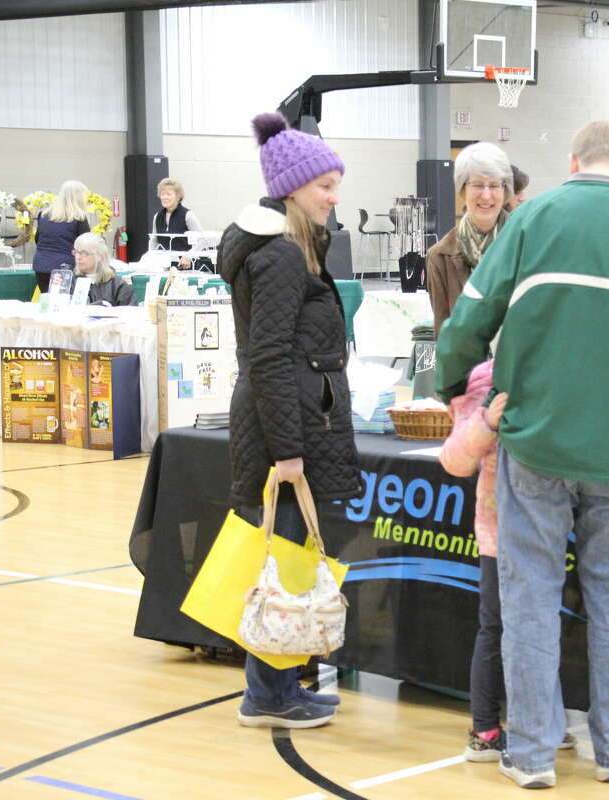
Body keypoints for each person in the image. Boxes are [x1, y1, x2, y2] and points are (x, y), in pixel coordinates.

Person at [436, 120, 609, 789]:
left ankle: (530, 756)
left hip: (538, 441)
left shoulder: (534, 220)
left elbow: (470, 314)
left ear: (573, 159)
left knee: (529, 599)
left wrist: (451, 379)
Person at [217, 111, 360, 729]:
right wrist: (288, 449)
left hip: (293, 416)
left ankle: (276, 687)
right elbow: (271, 356)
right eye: (325, 186)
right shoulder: (278, 256)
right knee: (282, 558)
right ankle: (269, 694)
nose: (334, 197)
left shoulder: (290, 246)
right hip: (286, 423)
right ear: (293, 188)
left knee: (287, 560)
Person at [438, 361, 576, 762]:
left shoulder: (555, 370)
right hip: (499, 537)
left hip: (546, 532)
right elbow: (455, 460)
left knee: (542, 624)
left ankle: (541, 721)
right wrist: (486, 420)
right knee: (497, 627)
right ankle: (484, 730)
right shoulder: (486, 381)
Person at [425, 142, 512, 337]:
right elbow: (445, 335)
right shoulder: (440, 257)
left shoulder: (527, 244)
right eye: (478, 185)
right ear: (463, 189)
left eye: (495, 185)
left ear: (505, 190)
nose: (486, 195)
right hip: (469, 365)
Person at [32, 180, 91, 294]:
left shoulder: (44, 214)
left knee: (48, 300)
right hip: (65, 268)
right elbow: (86, 244)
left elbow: (37, 239)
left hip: (41, 266)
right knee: (65, 303)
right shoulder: (79, 217)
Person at [151, 178, 205, 267]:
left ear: (178, 197)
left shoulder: (188, 215)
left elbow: (203, 240)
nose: (164, 197)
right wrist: (151, 257)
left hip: (188, 268)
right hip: (164, 267)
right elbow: (154, 241)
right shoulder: (157, 216)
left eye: (168, 194)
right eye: (162, 194)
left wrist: (188, 257)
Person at [72, 232, 135, 306]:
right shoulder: (71, 282)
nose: (78, 257)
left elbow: (130, 313)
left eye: (84, 253)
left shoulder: (117, 285)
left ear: (100, 256)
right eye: (76, 252)